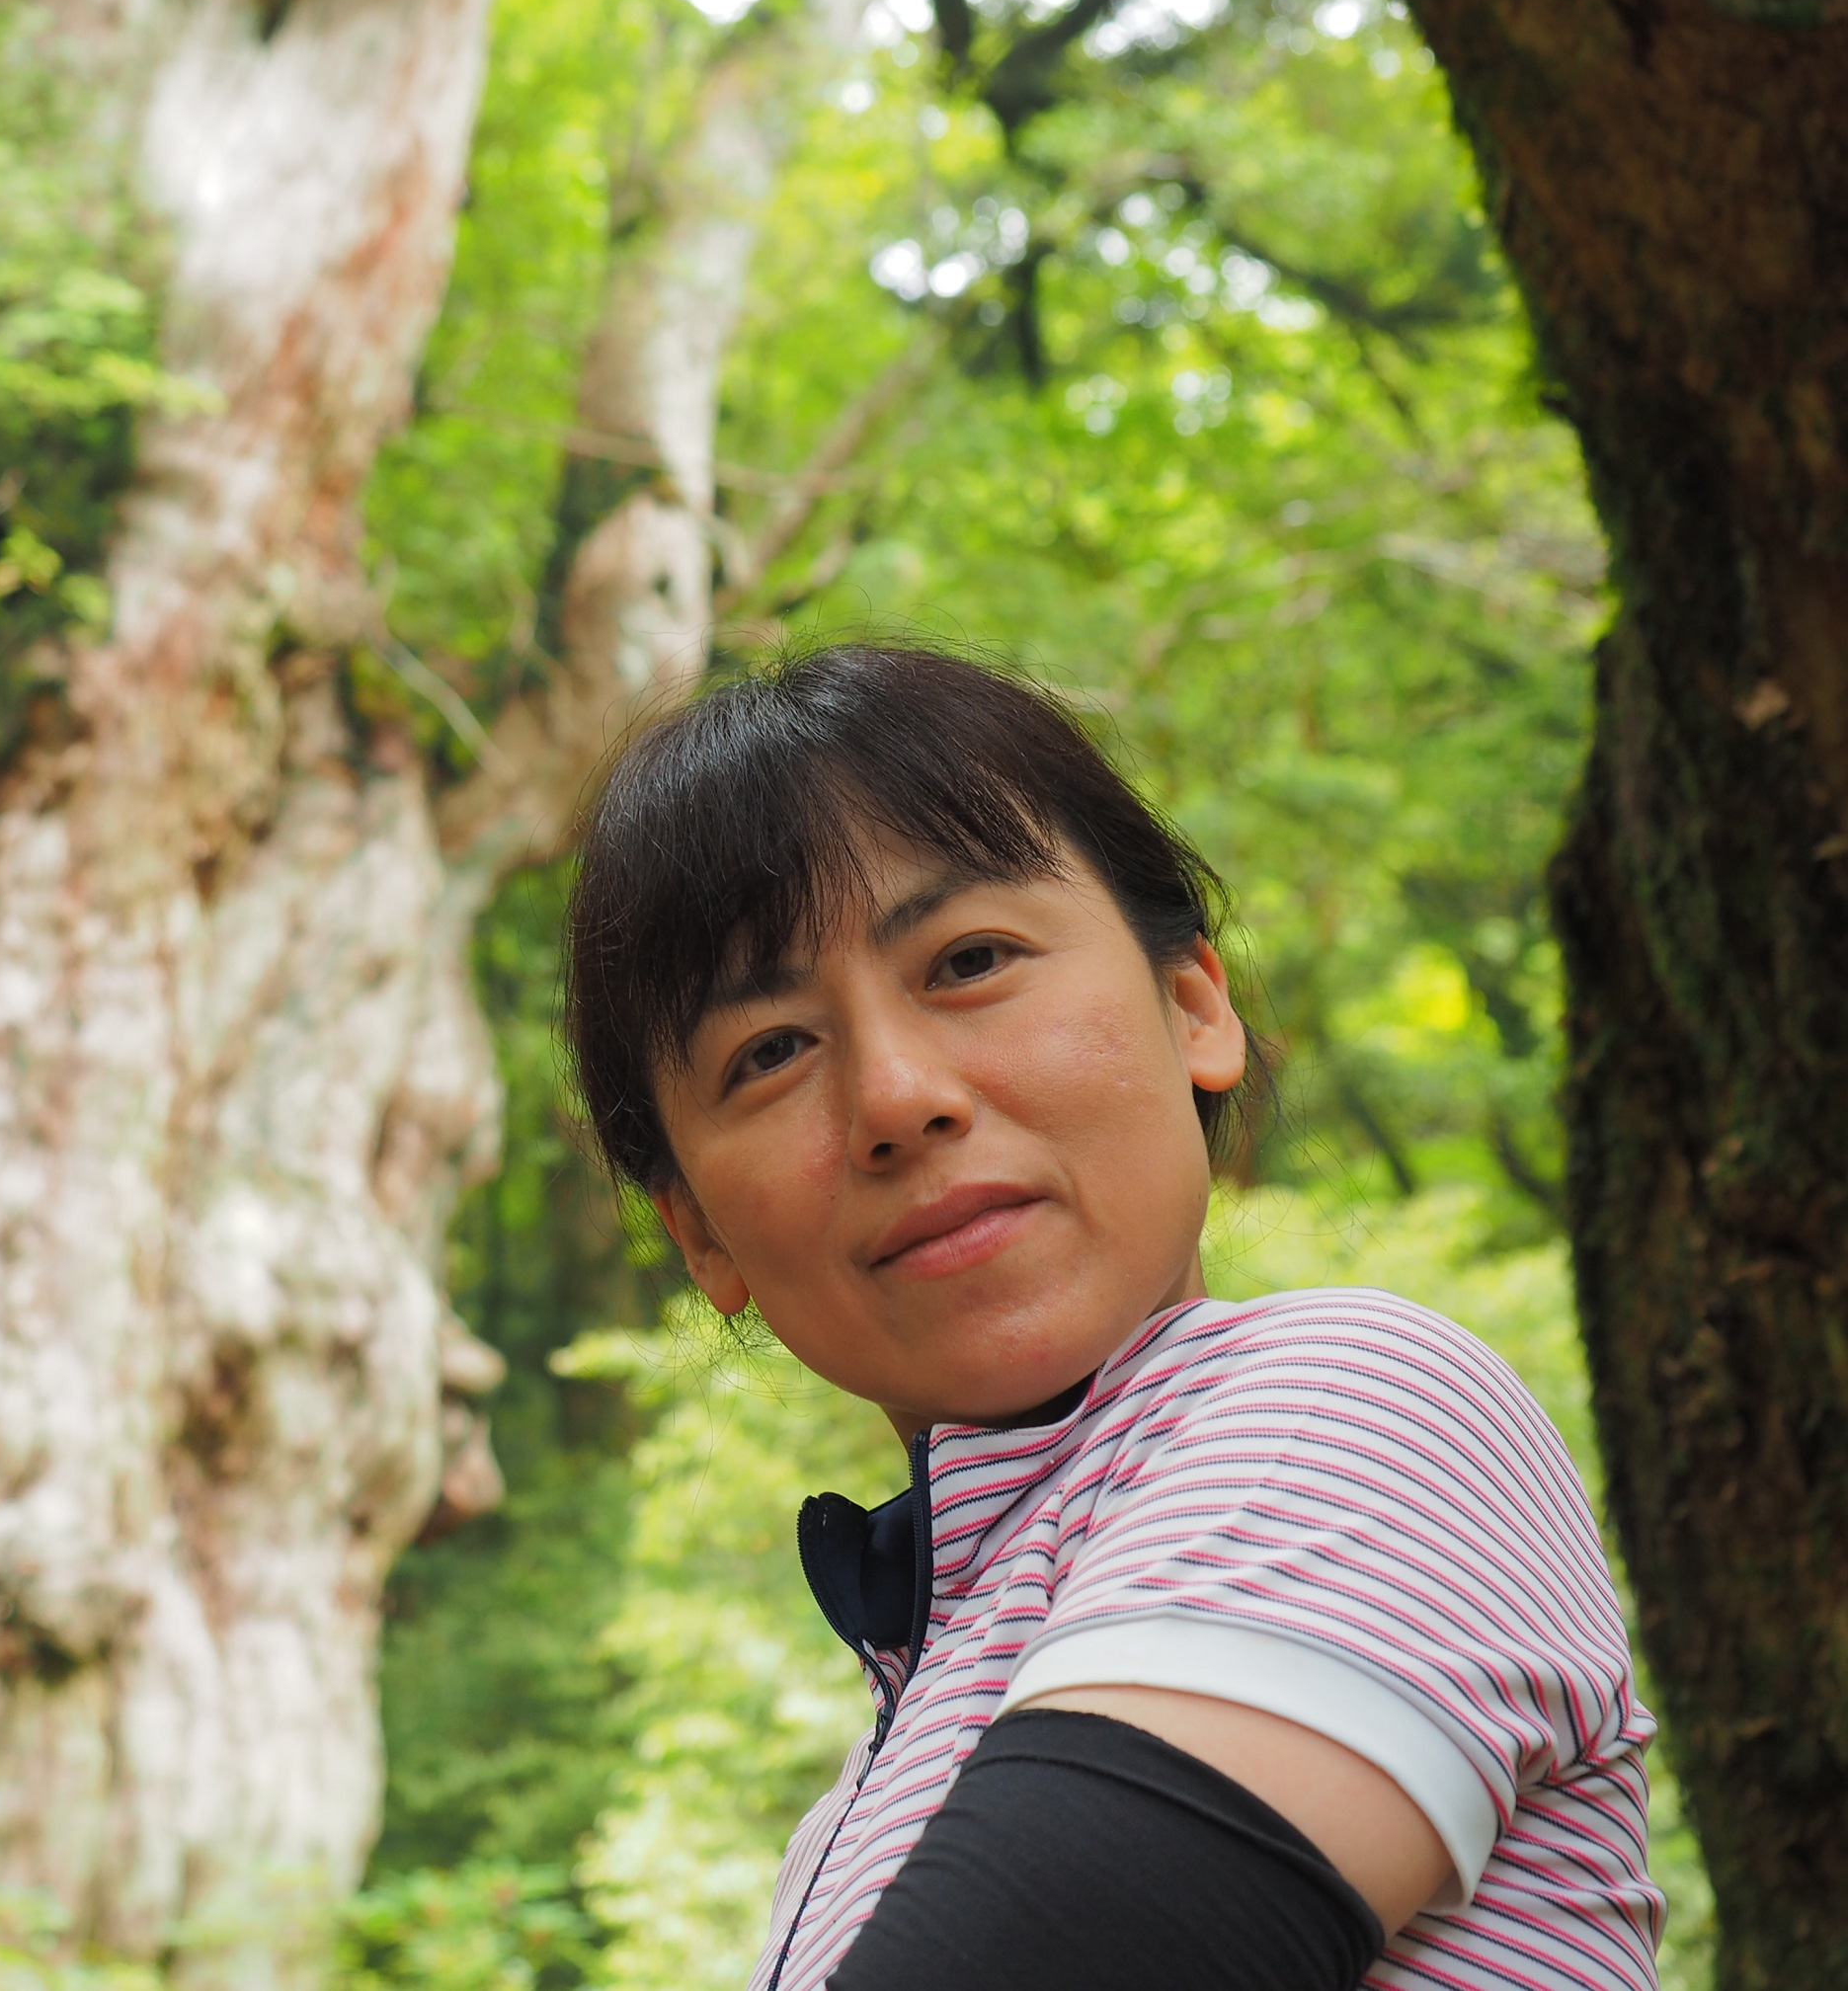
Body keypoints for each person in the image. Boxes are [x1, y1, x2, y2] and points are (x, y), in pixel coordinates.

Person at [561, 643, 1662, 1991]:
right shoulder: (863, 1787)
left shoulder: (1360, 1417)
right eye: (770, 1050)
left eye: (970, 958)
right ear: (699, 1234)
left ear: (1196, 1004)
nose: (898, 1096)